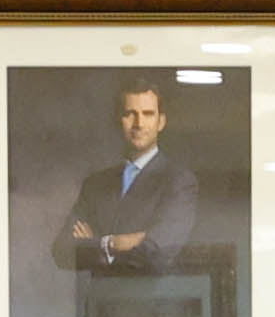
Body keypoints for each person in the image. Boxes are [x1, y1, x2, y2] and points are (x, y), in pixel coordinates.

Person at [51, 81, 200, 281]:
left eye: (148, 114)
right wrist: (113, 243)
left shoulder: (179, 181)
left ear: (161, 122)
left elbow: (157, 251)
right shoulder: (95, 184)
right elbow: (62, 251)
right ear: (119, 120)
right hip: (100, 299)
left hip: (151, 299)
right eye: (130, 113)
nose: (139, 123)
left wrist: (95, 244)